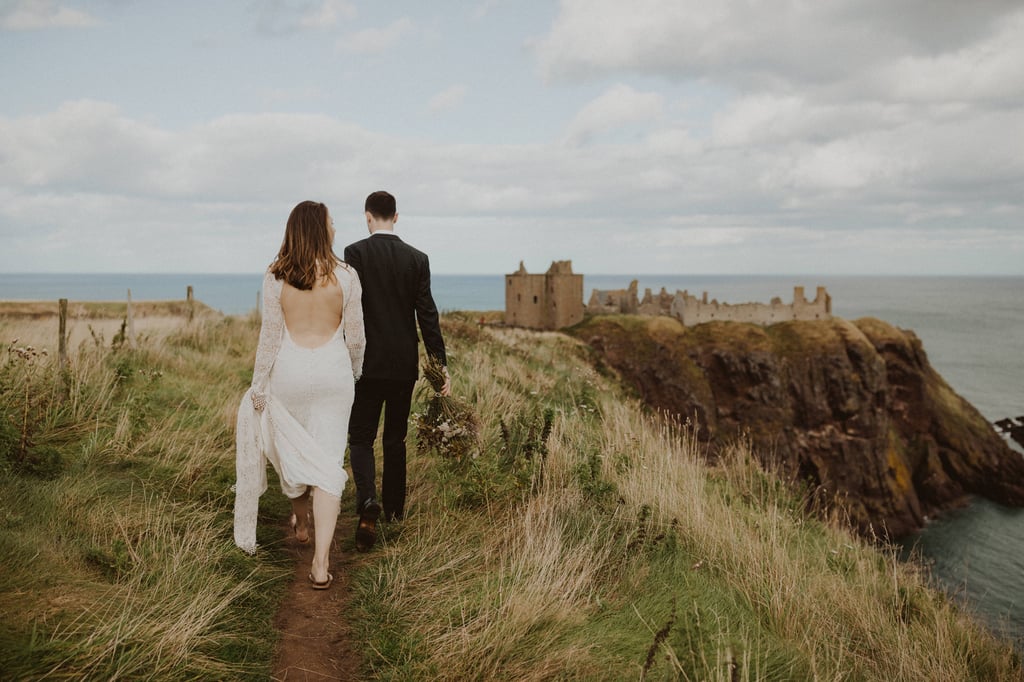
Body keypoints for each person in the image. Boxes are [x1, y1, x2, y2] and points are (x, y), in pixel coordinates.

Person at [234, 200, 365, 590]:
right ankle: (321, 564)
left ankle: (302, 525)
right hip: (333, 375)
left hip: (289, 373)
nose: (336, 229)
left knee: (291, 448)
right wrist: (354, 374)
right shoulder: (347, 277)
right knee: (327, 464)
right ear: (320, 230)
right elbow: (355, 338)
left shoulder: (275, 277)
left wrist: (259, 385)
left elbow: (270, 340)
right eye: (331, 223)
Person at [344, 190, 450, 551]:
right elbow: (428, 315)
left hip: (366, 365)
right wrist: (440, 365)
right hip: (403, 365)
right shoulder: (417, 259)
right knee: (395, 439)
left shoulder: (354, 254)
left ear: (368, 217)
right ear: (396, 217)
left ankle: (367, 501)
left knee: (360, 437)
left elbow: (350, 311)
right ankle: (394, 511)